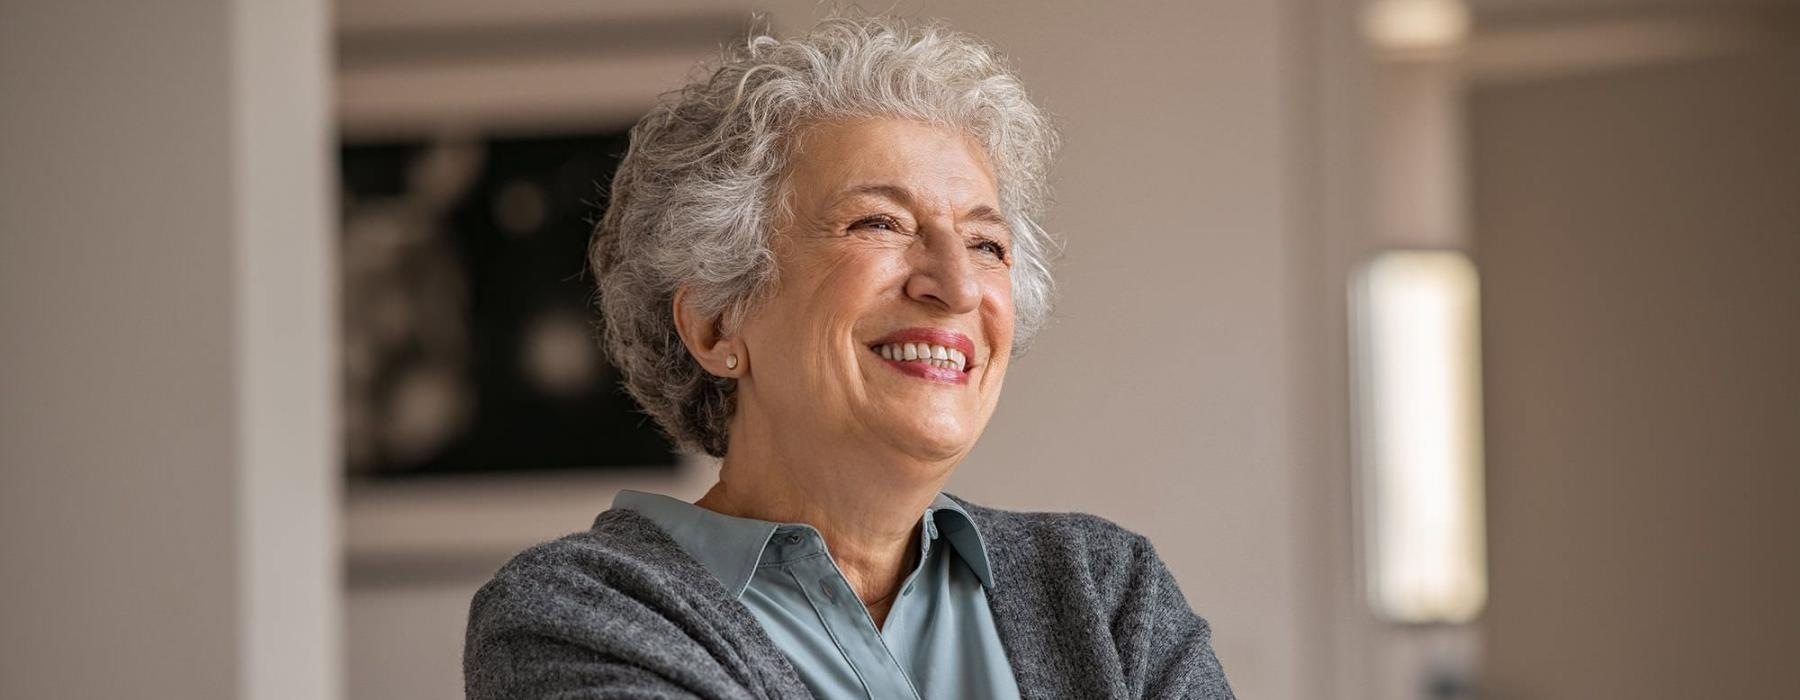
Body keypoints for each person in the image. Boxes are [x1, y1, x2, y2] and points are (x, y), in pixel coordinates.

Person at [464, 16, 1234, 699]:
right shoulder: (573, 616)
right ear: (715, 324)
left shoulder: (1104, 593)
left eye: (986, 243)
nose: (957, 285)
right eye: (879, 223)